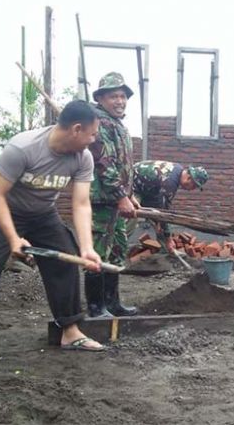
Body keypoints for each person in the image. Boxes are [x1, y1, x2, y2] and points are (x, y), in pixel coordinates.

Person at [0, 100, 106, 364]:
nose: (93, 140)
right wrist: (12, 239)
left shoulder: (83, 157)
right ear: (76, 129)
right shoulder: (23, 148)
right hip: (5, 211)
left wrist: (87, 247)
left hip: (43, 214)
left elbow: (80, 204)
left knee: (67, 258)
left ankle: (70, 331)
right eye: (92, 134)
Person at [85, 72, 139, 318]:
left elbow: (124, 164)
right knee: (98, 251)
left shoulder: (118, 125)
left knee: (117, 250)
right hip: (102, 202)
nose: (120, 101)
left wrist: (130, 194)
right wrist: (120, 195)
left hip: (116, 200)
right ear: (101, 99)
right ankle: (96, 308)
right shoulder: (100, 123)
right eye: (113, 96)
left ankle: (112, 303)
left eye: (123, 96)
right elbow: (104, 163)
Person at [132, 160, 209, 250]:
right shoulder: (170, 182)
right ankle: (116, 251)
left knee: (159, 223)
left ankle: (164, 254)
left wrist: (158, 223)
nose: (191, 189)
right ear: (189, 178)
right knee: (131, 216)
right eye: (194, 186)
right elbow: (163, 212)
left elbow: (162, 205)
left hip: (147, 189)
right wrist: (168, 238)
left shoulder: (178, 170)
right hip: (133, 185)